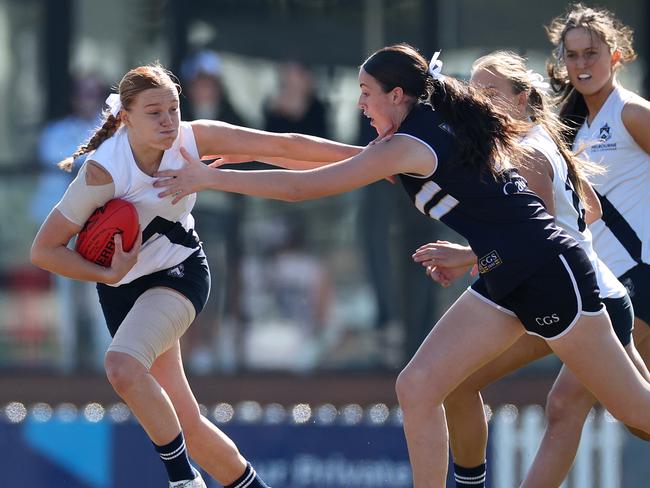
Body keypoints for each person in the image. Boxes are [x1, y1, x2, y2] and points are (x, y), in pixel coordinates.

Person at [152, 44, 650, 487]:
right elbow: (317, 157)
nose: (359, 104)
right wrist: (240, 156)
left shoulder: (412, 144)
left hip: (550, 273)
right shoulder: (413, 138)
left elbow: (302, 187)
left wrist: (208, 180)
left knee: (634, 409)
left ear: (398, 95)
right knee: (418, 387)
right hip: (505, 272)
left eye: (366, 92)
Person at [30, 63, 359, 487]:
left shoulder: (190, 138)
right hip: (122, 289)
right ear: (125, 117)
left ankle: (184, 481)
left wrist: (370, 160)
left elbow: (284, 145)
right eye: (154, 112)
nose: (168, 121)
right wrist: (106, 273)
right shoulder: (103, 170)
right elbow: (44, 250)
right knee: (188, 427)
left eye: (173, 109)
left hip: (178, 273)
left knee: (120, 366)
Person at [410, 50, 650, 488]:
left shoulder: (525, 150)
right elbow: (588, 210)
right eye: (473, 91)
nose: (479, 100)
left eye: (491, 92)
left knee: (636, 415)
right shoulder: (528, 141)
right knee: (451, 386)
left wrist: (468, 255)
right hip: (568, 289)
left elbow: (532, 238)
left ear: (521, 100)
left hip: (583, 294)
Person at [29, 73, 110, 372]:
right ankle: (66, 359)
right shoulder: (56, 131)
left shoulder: (112, 131)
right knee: (64, 293)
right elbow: (65, 165)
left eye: (93, 94)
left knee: (97, 289)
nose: (87, 100)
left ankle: (104, 357)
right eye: (82, 93)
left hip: (98, 224)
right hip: (59, 225)